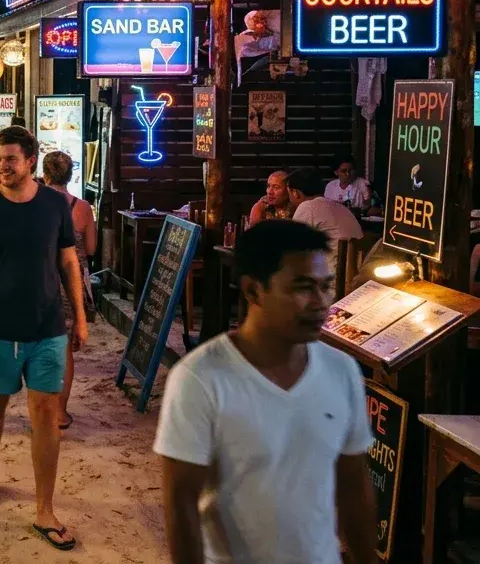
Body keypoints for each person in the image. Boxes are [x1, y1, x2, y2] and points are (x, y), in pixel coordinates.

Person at [155, 220, 375, 564]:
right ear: (253, 290)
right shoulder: (200, 379)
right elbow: (181, 501)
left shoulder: (341, 371)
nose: (320, 303)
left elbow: (353, 484)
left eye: (325, 287)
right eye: (302, 287)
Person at [0, 127, 87, 551]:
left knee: (46, 414)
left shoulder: (54, 205)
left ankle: (45, 509)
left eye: (10, 158)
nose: (1, 166)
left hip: (47, 326)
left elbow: (69, 261)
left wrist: (79, 318)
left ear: (31, 160)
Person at [42, 151, 97, 430]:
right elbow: (91, 249)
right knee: (64, 349)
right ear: (71, 175)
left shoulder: (34, 203)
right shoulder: (83, 207)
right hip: (70, 283)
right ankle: (60, 412)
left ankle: (42, 409)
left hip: (40, 282)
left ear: (44, 174)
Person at [287, 167, 362, 270]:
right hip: (355, 274)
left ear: (295, 193)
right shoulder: (339, 206)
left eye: (289, 193)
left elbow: (291, 249)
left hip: (333, 279)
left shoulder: (307, 207)